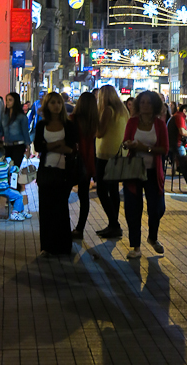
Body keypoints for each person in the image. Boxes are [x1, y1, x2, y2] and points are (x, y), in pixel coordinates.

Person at [123, 91, 168, 259]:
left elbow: (164, 149)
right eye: (142, 102)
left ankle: (153, 237)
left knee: (157, 208)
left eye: (149, 103)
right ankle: (135, 246)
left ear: (155, 105)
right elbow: (125, 140)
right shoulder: (132, 122)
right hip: (134, 170)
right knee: (133, 208)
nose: (145, 105)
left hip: (153, 171)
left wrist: (146, 149)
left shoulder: (159, 124)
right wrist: (129, 144)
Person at [34, 92, 78, 257]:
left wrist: (50, 145)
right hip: (46, 169)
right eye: (52, 102)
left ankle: (63, 246)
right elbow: (38, 146)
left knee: (60, 209)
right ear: (47, 105)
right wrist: (58, 144)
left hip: (64, 171)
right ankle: (48, 246)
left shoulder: (69, 125)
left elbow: (71, 148)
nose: (56, 106)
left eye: (58, 102)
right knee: (46, 209)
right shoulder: (41, 125)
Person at [95, 85, 129, 239]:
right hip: (118, 153)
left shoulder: (107, 110)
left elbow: (100, 133)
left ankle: (114, 224)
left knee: (102, 190)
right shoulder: (123, 111)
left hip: (105, 154)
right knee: (113, 190)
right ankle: (113, 224)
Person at [69, 92, 98, 239]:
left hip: (74, 161)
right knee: (84, 197)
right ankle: (80, 228)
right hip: (88, 163)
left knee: (65, 194)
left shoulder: (73, 119)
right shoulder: (95, 122)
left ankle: (64, 225)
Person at [1, 92, 32, 218]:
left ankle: (14, 201)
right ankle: (13, 198)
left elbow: (26, 132)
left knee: (14, 172)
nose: (8, 103)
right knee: (7, 172)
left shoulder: (21, 117)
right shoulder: (4, 116)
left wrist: (28, 147)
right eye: (7, 100)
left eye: (10, 100)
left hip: (18, 146)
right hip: (6, 146)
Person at [0, 151, 26, 221]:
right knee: (19, 196)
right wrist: (11, 164)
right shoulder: (5, 166)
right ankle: (15, 213)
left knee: (16, 195)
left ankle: (21, 212)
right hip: (4, 190)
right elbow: (16, 169)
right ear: (2, 157)